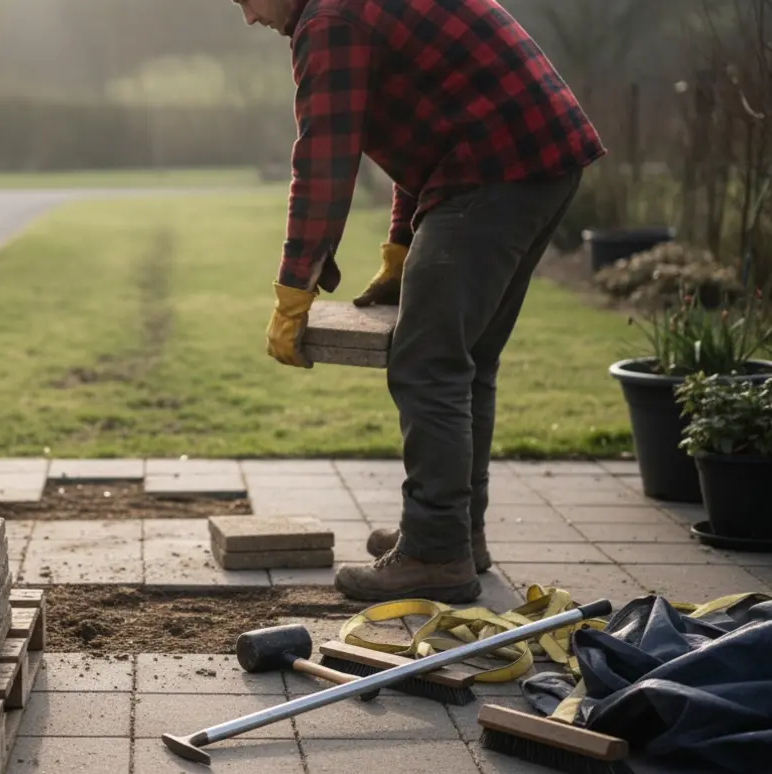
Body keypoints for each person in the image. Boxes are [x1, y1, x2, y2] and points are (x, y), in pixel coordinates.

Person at [238, 0, 606, 603]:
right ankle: (457, 531)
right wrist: (400, 247)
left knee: (429, 363)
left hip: (491, 169)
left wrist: (292, 291)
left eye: (244, 0)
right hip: (538, 158)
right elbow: (428, 122)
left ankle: (436, 554)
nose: (248, 17)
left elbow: (326, 160)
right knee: (468, 358)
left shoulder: (328, 21)